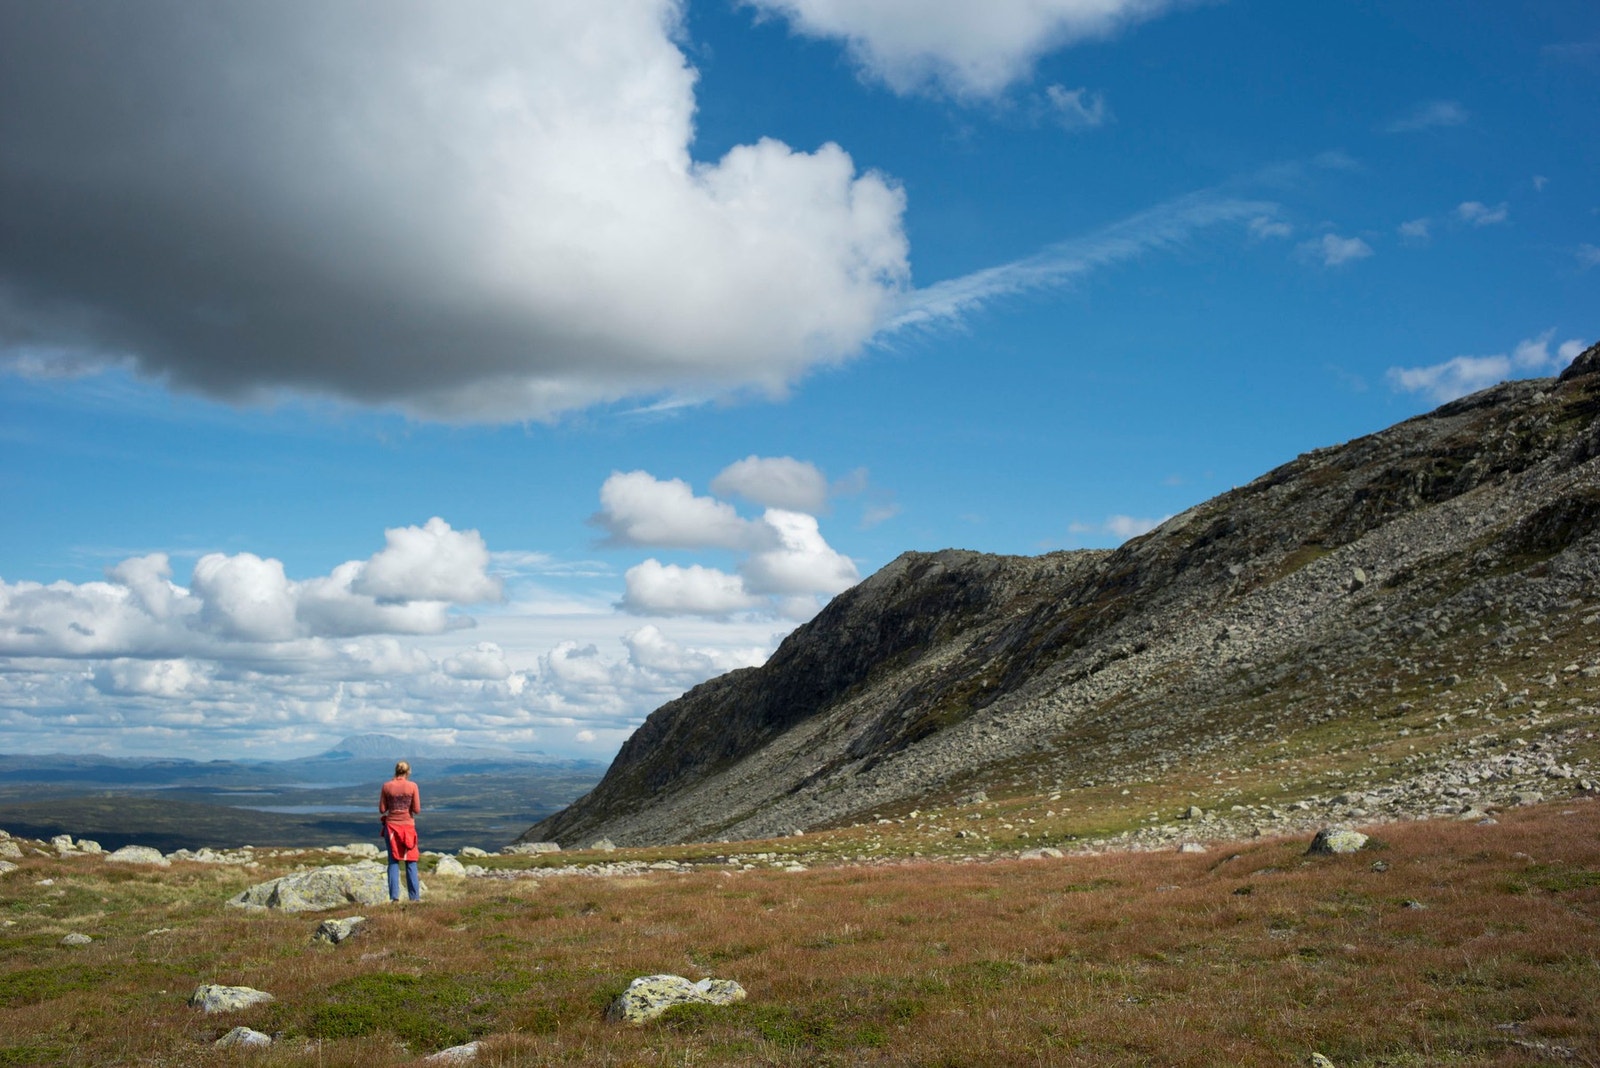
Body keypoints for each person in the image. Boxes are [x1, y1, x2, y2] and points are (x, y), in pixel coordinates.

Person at [379, 760, 422, 902]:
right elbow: (416, 810)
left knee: (393, 861)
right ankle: (414, 898)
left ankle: (394, 898)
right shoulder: (412, 786)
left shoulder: (387, 786)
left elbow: (382, 809)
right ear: (408, 771)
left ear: (395, 771)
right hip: (408, 827)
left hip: (391, 827)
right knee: (411, 861)